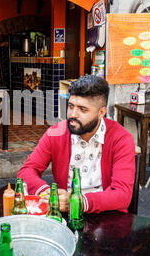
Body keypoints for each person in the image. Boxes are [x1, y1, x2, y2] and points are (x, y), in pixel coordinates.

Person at [17, 75, 135, 214]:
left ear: (101, 112)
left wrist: (77, 202)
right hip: (64, 214)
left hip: (107, 215)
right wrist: (47, 192)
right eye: (71, 106)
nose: (73, 114)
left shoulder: (121, 138)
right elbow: (26, 171)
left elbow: (122, 194)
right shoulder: (56, 133)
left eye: (82, 109)